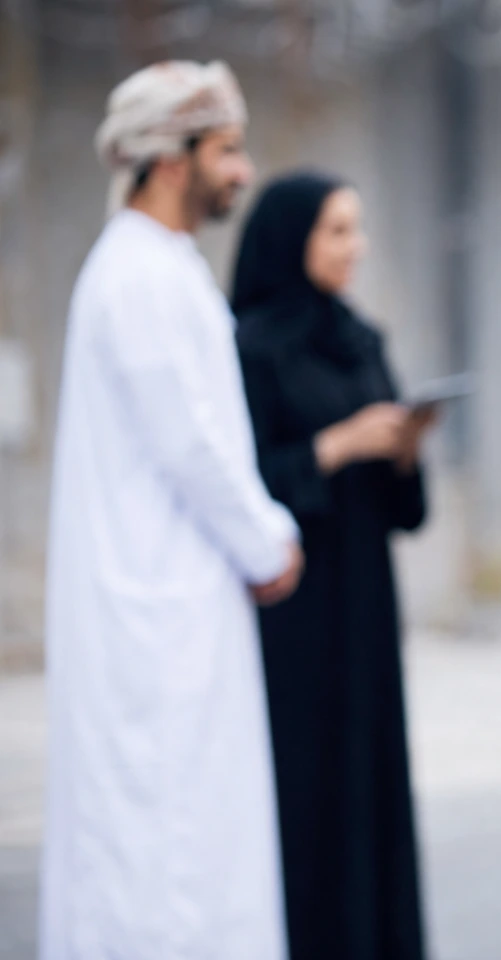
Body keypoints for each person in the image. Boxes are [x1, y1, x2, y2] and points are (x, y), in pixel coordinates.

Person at [42, 61, 304, 959]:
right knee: (163, 845)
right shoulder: (140, 278)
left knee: (188, 835)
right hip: (155, 613)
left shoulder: (161, 267)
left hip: (176, 601)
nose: (242, 172)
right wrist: (268, 540)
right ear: (168, 159)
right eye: (226, 151)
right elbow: (193, 445)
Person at [233, 172, 435, 960]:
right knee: (303, 781)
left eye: (357, 229)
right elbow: (238, 482)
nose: (355, 247)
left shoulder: (362, 338)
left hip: (365, 600)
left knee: (369, 776)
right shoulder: (248, 346)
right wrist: (338, 445)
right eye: (336, 231)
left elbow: (406, 514)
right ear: (293, 240)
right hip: (292, 607)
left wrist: (404, 453)